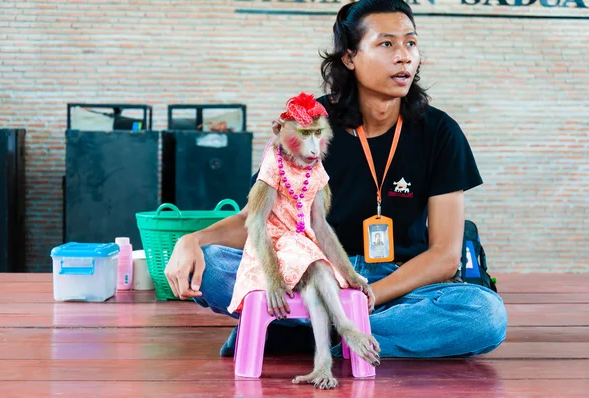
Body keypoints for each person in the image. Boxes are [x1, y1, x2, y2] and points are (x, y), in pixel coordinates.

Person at [164, 0, 507, 359]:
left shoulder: (440, 132)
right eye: (386, 44)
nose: (404, 56)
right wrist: (193, 240)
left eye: (411, 42)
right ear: (349, 57)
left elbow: (444, 256)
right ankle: (351, 335)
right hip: (309, 272)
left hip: (395, 285)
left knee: (485, 315)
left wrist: (368, 295)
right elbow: (259, 221)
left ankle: (315, 332)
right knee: (212, 265)